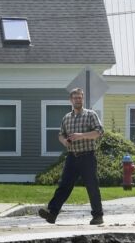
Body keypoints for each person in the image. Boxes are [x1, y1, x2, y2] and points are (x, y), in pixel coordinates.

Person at [39, 87, 104, 226]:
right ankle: (52, 213)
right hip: (72, 157)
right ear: (71, 100)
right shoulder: (66, 118)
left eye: (80, 97)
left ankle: (98, 216)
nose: (78, 100)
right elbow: (60, 134)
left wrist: (81, 136)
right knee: (64, 185)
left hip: (87, 156)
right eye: (75, 98)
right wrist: (64, 141)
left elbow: (99, 132)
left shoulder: (90, 115)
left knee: (92, 186)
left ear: (83, 99)